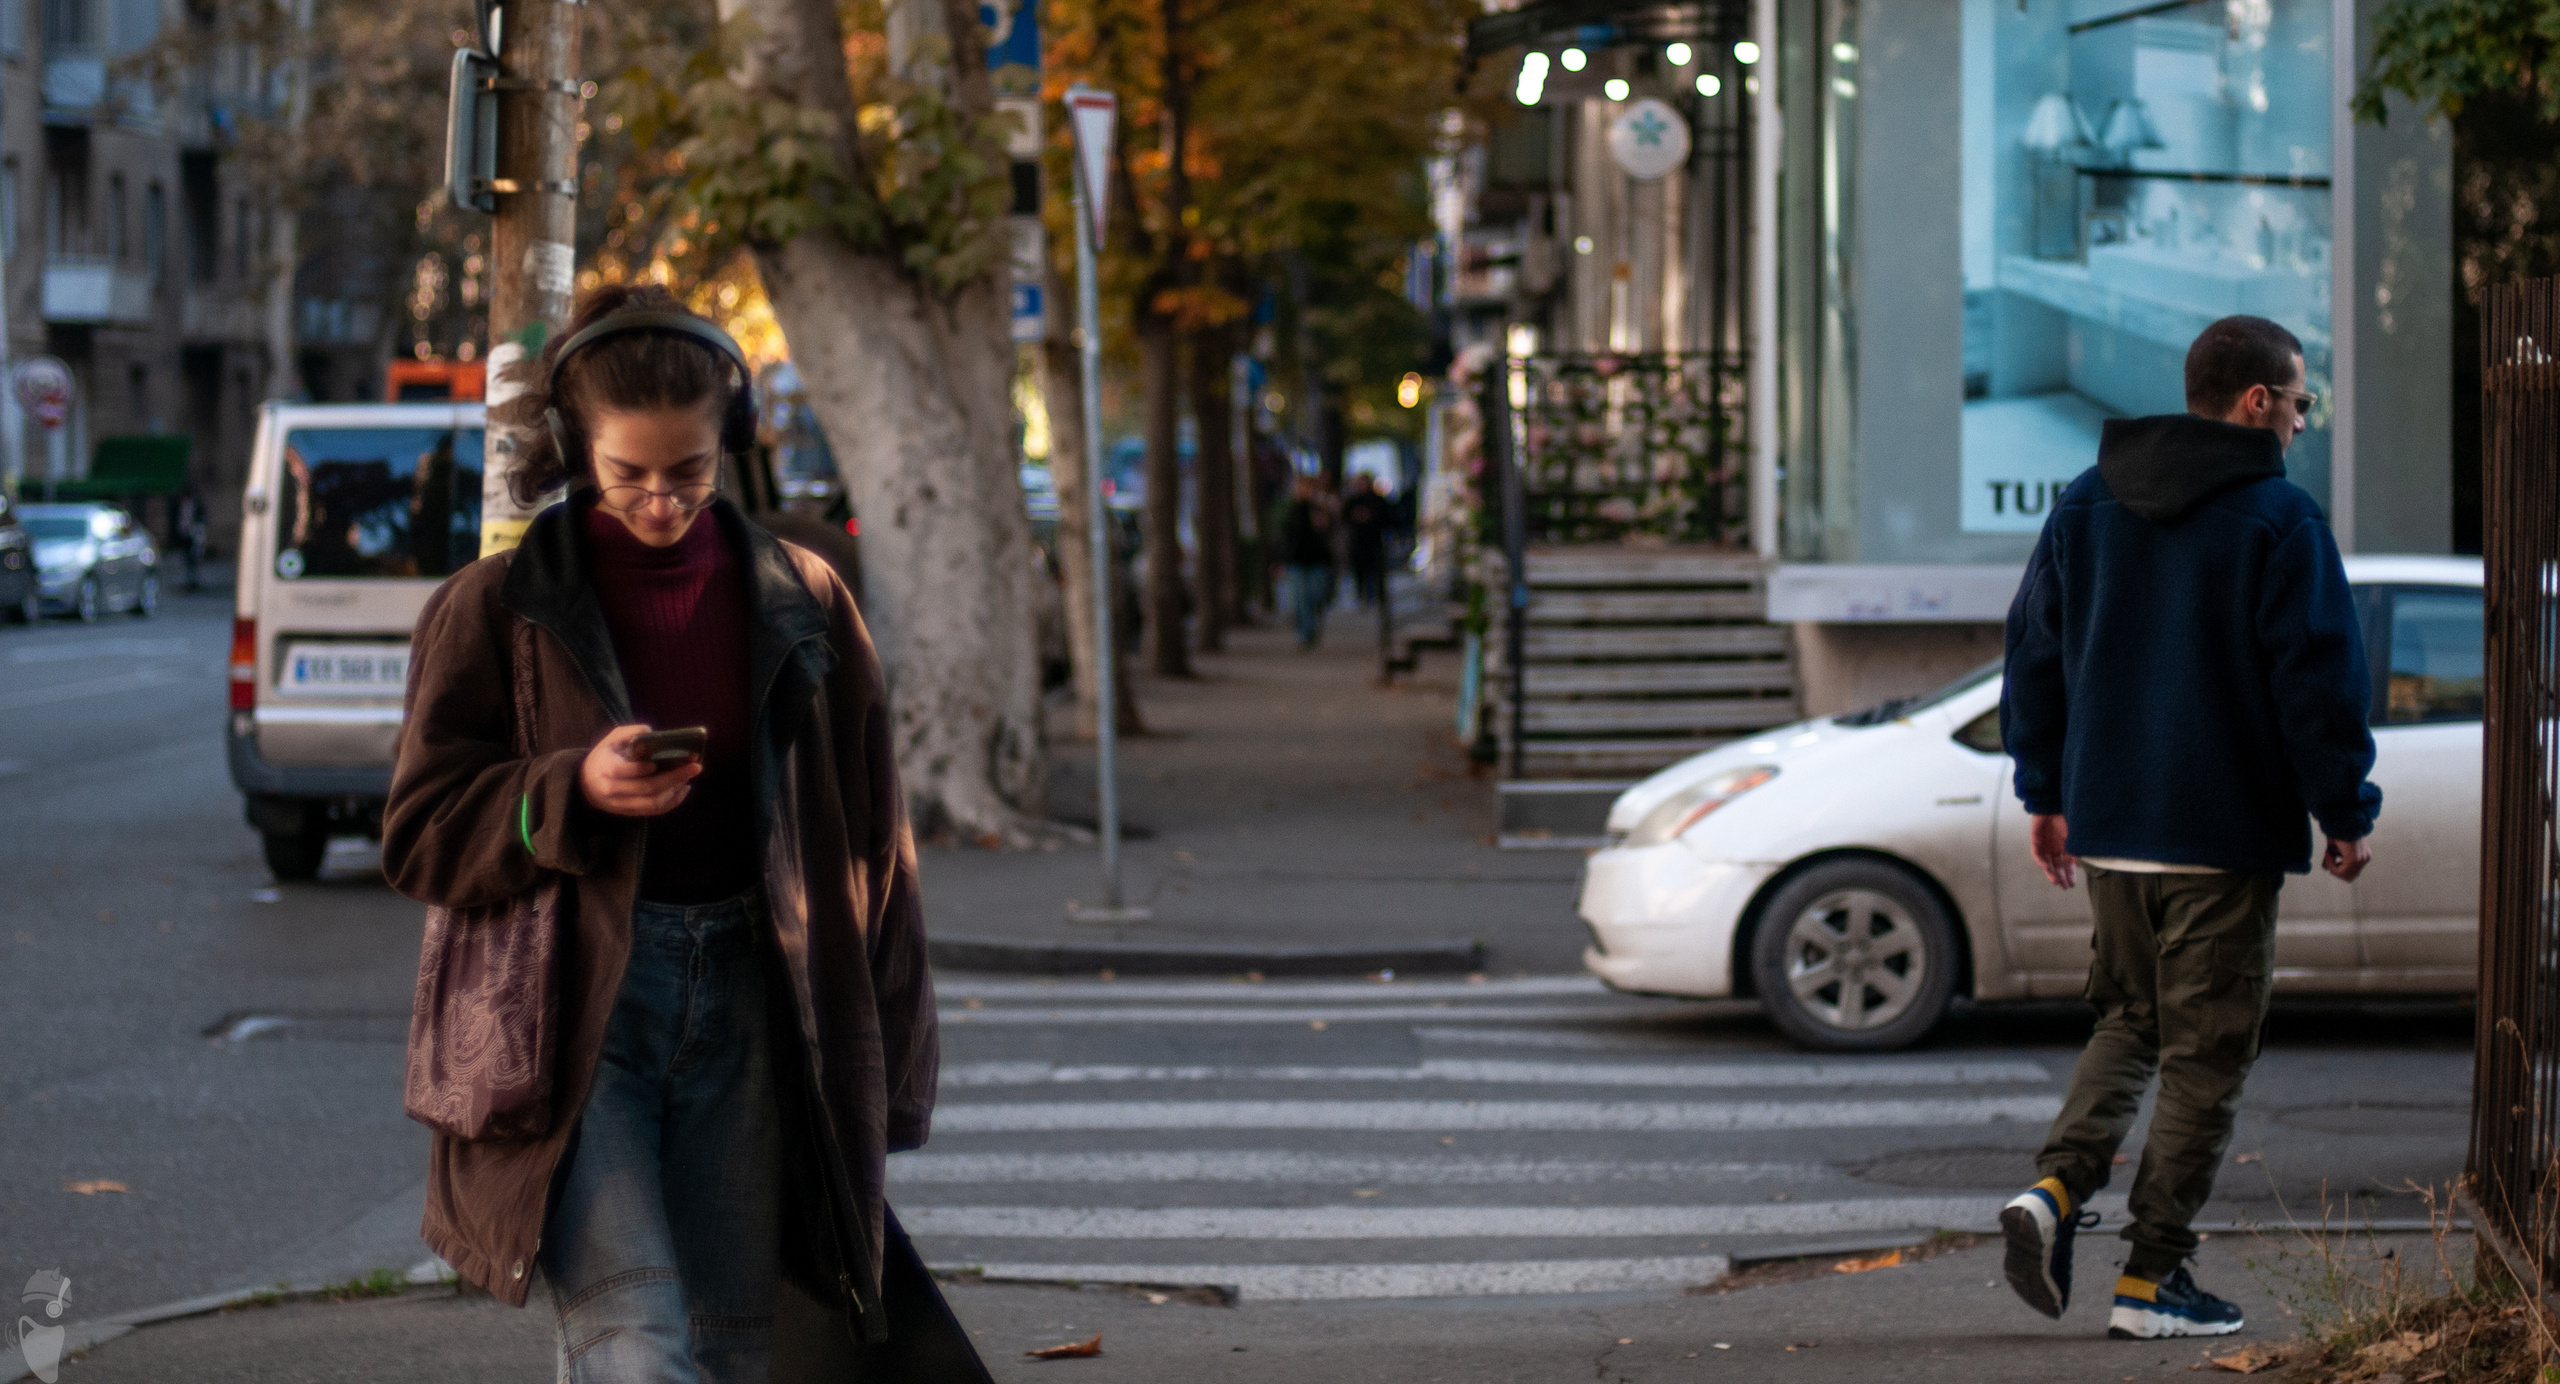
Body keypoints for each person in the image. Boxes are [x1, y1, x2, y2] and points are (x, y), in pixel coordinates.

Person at [381, 285, 949, 1381]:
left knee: (734, 1357)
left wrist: (890, 1063)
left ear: (730, 443)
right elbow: (418, 831)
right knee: (636, 1349)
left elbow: (876, 847)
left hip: (755, 1006)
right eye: (628, 472)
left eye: (687, 471)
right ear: (574, 446)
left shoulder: (807, 597)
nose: (658, 500)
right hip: (575, 1014)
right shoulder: (494, 607)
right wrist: (567, 789)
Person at [1996, 314, 2379, 1342]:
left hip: (2112, 826)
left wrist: (2046, 791)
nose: (2300, 422)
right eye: (2299, 402)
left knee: (2128, 1022)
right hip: (2221, 833)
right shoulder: (2277, 519)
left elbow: (2031, 649)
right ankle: (2151, 1278)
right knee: (2206, 1061)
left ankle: (2054, 1192)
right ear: (2257, 401)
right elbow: (2317, 683)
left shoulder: (2086, 502)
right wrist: (2343, 809)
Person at [1279, 474, 1336, 649]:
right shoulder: (1291, 510)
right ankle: (1305, 632)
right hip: (1296, 560)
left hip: (1317, 559)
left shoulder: (1318, 509)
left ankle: (1311, 625)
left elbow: (1329, 531)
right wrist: (1280, 559)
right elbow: (1284, 536)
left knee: (1315, 595)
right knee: (1300, 599)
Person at [1341, 472, 1391, 607]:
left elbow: (1385, 518)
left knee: (1375, 571)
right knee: (1360, 572)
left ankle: (1378, 598)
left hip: (1374, 542)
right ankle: (1362, 597)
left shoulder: (1378, 500)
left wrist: (1370, 517)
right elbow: (1345, 517)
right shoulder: (1353, 501)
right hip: (1358, 543)